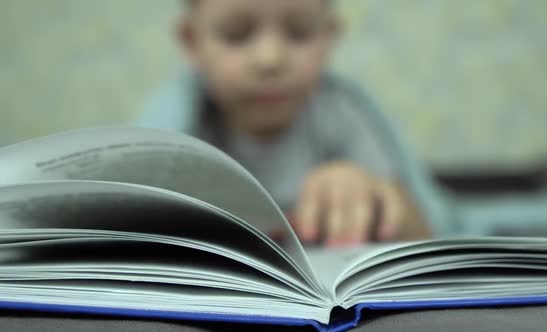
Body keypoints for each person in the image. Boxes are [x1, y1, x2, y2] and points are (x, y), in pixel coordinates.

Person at [139, 0, 432, 247]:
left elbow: (424, 234)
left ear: (330, 37)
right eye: (236, 35)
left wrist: (373, 197)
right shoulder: (180, 125)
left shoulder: (337, 110)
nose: (270, 59)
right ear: (191, 42)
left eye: (299, 33)